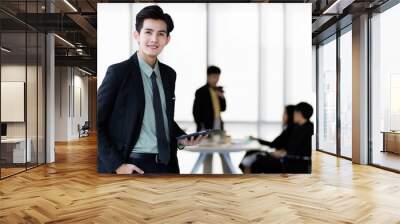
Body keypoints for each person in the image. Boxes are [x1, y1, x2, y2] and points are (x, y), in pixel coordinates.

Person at [97, 5, 205, 174]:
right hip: (133, 164)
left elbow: (162, 116)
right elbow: (98, 124)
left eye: (161, 34)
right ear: (137, 35)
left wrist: (181, 138)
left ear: (167, 39)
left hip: (167, 164)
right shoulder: (118, 73)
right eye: (148, 32)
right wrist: (117, 165)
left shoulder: (169, 75)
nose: (154, 39)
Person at [242, 102, 314, 174]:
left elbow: (303, 150)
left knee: (259, 162)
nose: (293, 115)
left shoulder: (305, 129)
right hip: (292, 160)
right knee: (258, 161)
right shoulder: (302, 128)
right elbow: (293, 147)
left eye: (294, 113)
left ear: (299, 114)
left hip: (295, 163)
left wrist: (284, 153)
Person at [239, 105, 295, 173]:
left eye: (284, 113)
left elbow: (273, 144)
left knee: (250, 158)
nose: (282, 116)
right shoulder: (288, 129)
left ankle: (247, 178)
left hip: (280, 157)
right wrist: (256, 139)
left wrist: (257, 139)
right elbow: (273, 144)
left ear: (290, 115)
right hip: (277, 154)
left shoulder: (290, 130)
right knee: (250, 153)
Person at [192, 66, 227, 173]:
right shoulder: (200, 91)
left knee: (223, 151)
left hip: (218, 124)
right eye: (213, 77)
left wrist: (222, 97)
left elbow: (223, 109)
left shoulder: (219, 91)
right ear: (208, 77)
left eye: (217, 77)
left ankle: (228, 176)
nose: (216, 79)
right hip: (205, 126)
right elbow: (195, 111)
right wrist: (201, 126)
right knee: (207, 153)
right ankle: (207, 176)